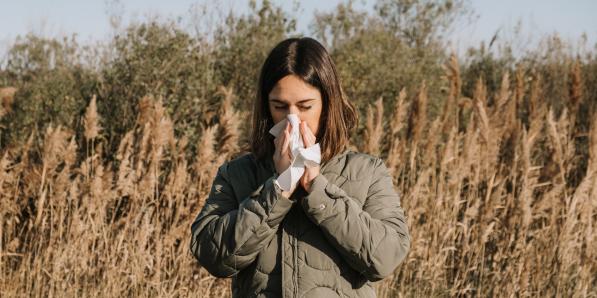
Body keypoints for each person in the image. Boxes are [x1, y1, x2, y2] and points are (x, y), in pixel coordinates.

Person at [190, 37, 410, 297]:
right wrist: (278, 189)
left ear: (328, 104)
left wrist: (317, 189)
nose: (292, 119)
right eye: (280, 107)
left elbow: (386, 257)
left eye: (305, 107)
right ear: (266, 107)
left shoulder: (367, 171)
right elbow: (212, 255)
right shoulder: (238, 174)